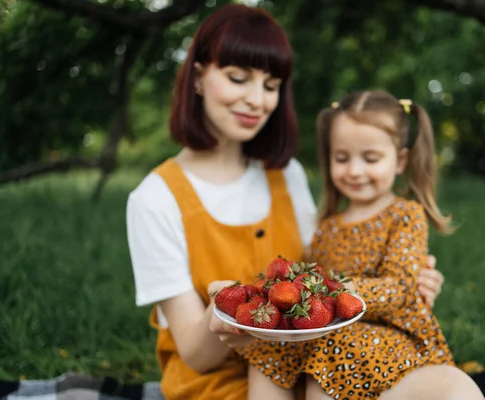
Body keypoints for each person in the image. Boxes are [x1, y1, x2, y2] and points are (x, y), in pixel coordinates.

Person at [125, 5, 445, 400]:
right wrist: (224, 312)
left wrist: (409, 278)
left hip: (311, 368)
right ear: (197, 77)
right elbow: (195, 354)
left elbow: (326, 271)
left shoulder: (285, 174)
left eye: (271, 85)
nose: (257, 100)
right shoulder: (155, 199)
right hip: (220, 385)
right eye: (238, 78)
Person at [241, 90, 485, 400]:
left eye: (370, 158)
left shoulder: (404, 215)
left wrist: (335, 291)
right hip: (335, 332)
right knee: (269, 348)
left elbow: (399, 289)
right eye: (342, 158)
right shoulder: (326, 228)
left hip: (391, 334)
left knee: (333, 348)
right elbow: (311, 290)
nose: (354, 170)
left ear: (400, 160)